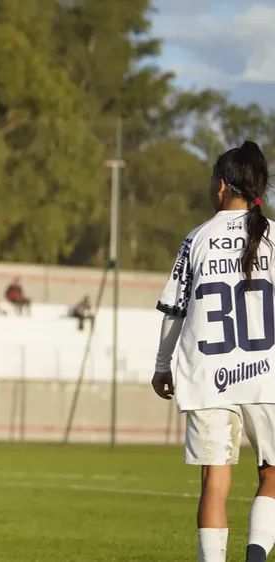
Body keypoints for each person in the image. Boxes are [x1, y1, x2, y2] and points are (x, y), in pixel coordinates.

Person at [151, 141, 275, 562]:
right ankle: (256, 555)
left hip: (210, 377)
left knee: (215, 485)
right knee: (272, 473)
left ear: (222, 186)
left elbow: (174, 310)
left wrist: (162, 366)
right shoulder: (274, 238)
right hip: (267, 376)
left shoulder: (197, 239)